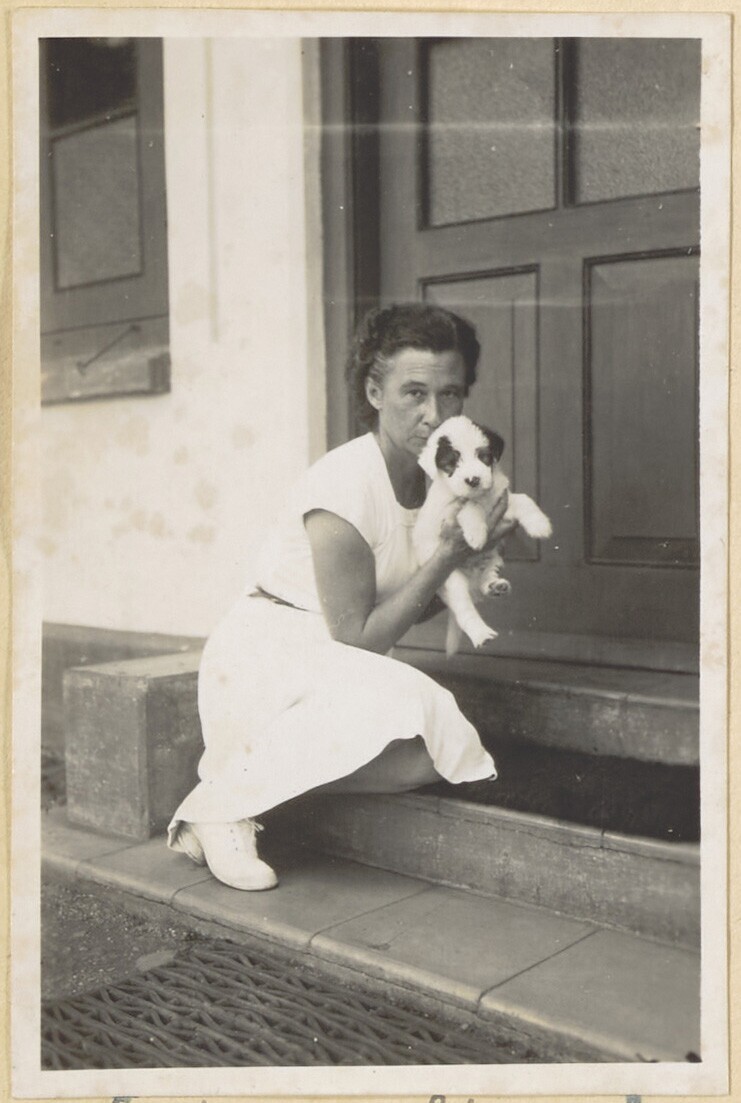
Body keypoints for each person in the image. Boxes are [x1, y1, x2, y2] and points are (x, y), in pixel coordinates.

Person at [167, 303, 516, 890]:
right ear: (375, 393)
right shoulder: (344, 483)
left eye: (451, 395)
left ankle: (246, 782)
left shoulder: (443, 475)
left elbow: (404, 600)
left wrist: (473, 562)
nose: (434, 415)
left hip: (332, 657)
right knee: (427, 711)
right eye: (414, 394)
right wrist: (448, 557)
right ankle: (219, 807)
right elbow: (358, 638)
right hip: (271, 652)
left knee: (431, 753)